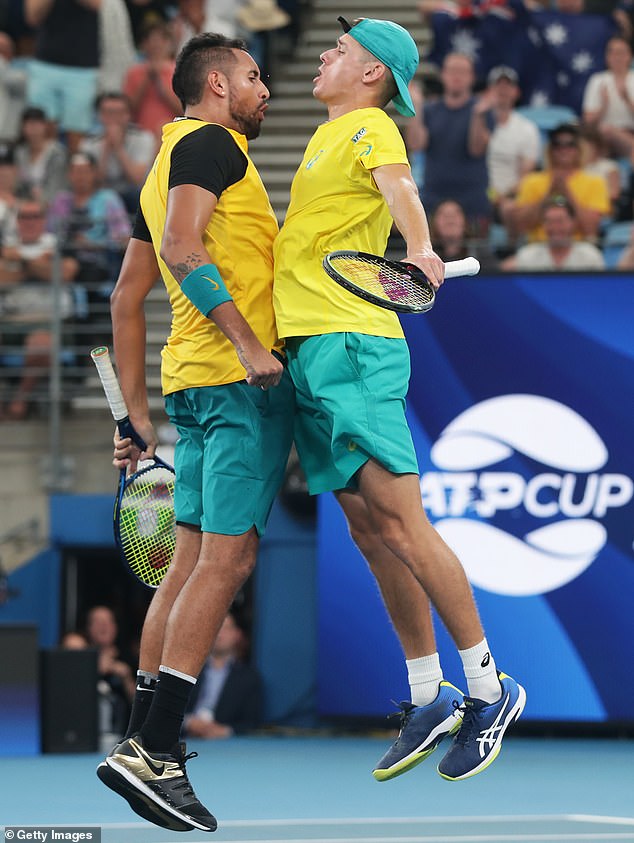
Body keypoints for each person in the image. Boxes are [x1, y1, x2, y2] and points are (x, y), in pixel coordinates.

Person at [273, 16, 525, 787]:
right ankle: (428, 693)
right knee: (369, 531)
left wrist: (419, 246)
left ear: (375, 73)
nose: (325, 53)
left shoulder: (372, 127)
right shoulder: (325, 134)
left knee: (405, 525)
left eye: (341, 51)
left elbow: (401, 190)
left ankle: (489, 687)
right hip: (311, 349)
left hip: (352, 346)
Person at [95, 33, 295, 834]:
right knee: (229, 558)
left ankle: (145, 739)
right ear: (216, 84)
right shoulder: (213, 144)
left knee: (185, 562)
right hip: (236, 381)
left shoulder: (165, 159)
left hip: (189, 383)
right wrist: (251, 344)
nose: (265, 89)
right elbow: (181, 249)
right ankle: (157, 748)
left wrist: (130, 414)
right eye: (252, 76)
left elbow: (124, 296)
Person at [0, 196, 80, 419]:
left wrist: (22, 262)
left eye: (35, 216)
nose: (29, 221)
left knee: (41, 344)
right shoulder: (7, 246)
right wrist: (41, 265)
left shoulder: (58, 244)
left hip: (50, 322)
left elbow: (65, 273)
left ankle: (19, 400)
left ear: (44, 220)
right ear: (17, 221)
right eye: (24, 216)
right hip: (11, 321)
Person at [406, 52, 494, 237]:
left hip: (472, 198)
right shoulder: (430, 109)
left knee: (476, 254)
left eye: (462, 71)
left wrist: (478, 116)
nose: (456, 76)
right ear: (443, 75)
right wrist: (416, 107)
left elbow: (477, 149)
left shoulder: (482, 109)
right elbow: (416, 144)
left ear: (472, 77)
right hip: (433, 196)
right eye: (452, 70)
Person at [23, 0, 102, 153]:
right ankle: (48, 172)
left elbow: (98, 4)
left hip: (82, 68)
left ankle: (74, 171)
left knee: (77, 131)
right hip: (46, 63)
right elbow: (32, 16)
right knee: (43, 126)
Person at [512, 122, 611, 242]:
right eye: (557, 144)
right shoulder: (532, 181)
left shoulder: (595, 182)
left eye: (570, 144)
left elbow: (591, 229)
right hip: (539, 246)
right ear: (550, 149)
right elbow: (520, 227)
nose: (564, 149)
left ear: (579, 149)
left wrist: (567, 192)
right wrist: (548, 194)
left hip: (578, 247)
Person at [184, 610, 262, 738]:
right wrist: (187, 723)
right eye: (215, 627)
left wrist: (225, 731)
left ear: (237, 634)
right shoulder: (188, 670)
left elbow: (252, 722)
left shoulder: (249, 678)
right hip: (184, 738)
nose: (219, 633)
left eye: (226, 628)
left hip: (225, 747)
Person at [485, 65, 541, 243]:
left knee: (510, 208)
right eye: (498, 85)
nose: (503, 90)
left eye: (507, 86)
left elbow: (527, 172)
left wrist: (502, 196)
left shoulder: (527, 129)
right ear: (489, 91)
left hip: (511, 195)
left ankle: (511, 251)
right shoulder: (476, 121)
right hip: (479, 190)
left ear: (516, 92)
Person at [79, 92, 157, 214]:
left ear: (128, 115)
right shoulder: (89, 143)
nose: (114, 118)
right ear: (100, 116)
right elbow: (92, 183)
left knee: (138, 194)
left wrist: (119, 148)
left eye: (119, 113)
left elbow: (138, 179)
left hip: (133, 194)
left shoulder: (143, 138)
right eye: (109, 113)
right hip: (102, 194)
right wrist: (106, 150)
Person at [500, 196, 605, 270]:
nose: (555, 227)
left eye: (560, 221)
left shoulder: (590, 256)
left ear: (573, 223)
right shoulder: (527, 255)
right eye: (549, 221)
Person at [122, 21, 182, 140]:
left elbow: (184, 110)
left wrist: (160, 83)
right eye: (151, 40)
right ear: (143, 44)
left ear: (169, 43)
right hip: (140, 136)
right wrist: (146, 80)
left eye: (161, 40)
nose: (156, 45)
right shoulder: (133, 72)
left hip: (172, 134)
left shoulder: (181, 71)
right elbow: (128, 111)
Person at [582, 35, 634, 159]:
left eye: (621, 52)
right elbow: (588, 121)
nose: (617, 57)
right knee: (603, 133)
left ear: (630, 56)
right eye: (612, 52)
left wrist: (627, 100)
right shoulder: (597, 80)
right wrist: (603, 106)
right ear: (607, 57)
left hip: (629, 133)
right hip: (603, 137)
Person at [14, 106, 68, 205]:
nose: (33, 129)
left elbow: (57, 186)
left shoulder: (58, 153)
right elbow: (16, 183)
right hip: (23, 203)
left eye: (37, 124)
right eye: (29, 124)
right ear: (23, 127)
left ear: (45, 126)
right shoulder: (19, 153)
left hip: (51, 204)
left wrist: (42, 199)